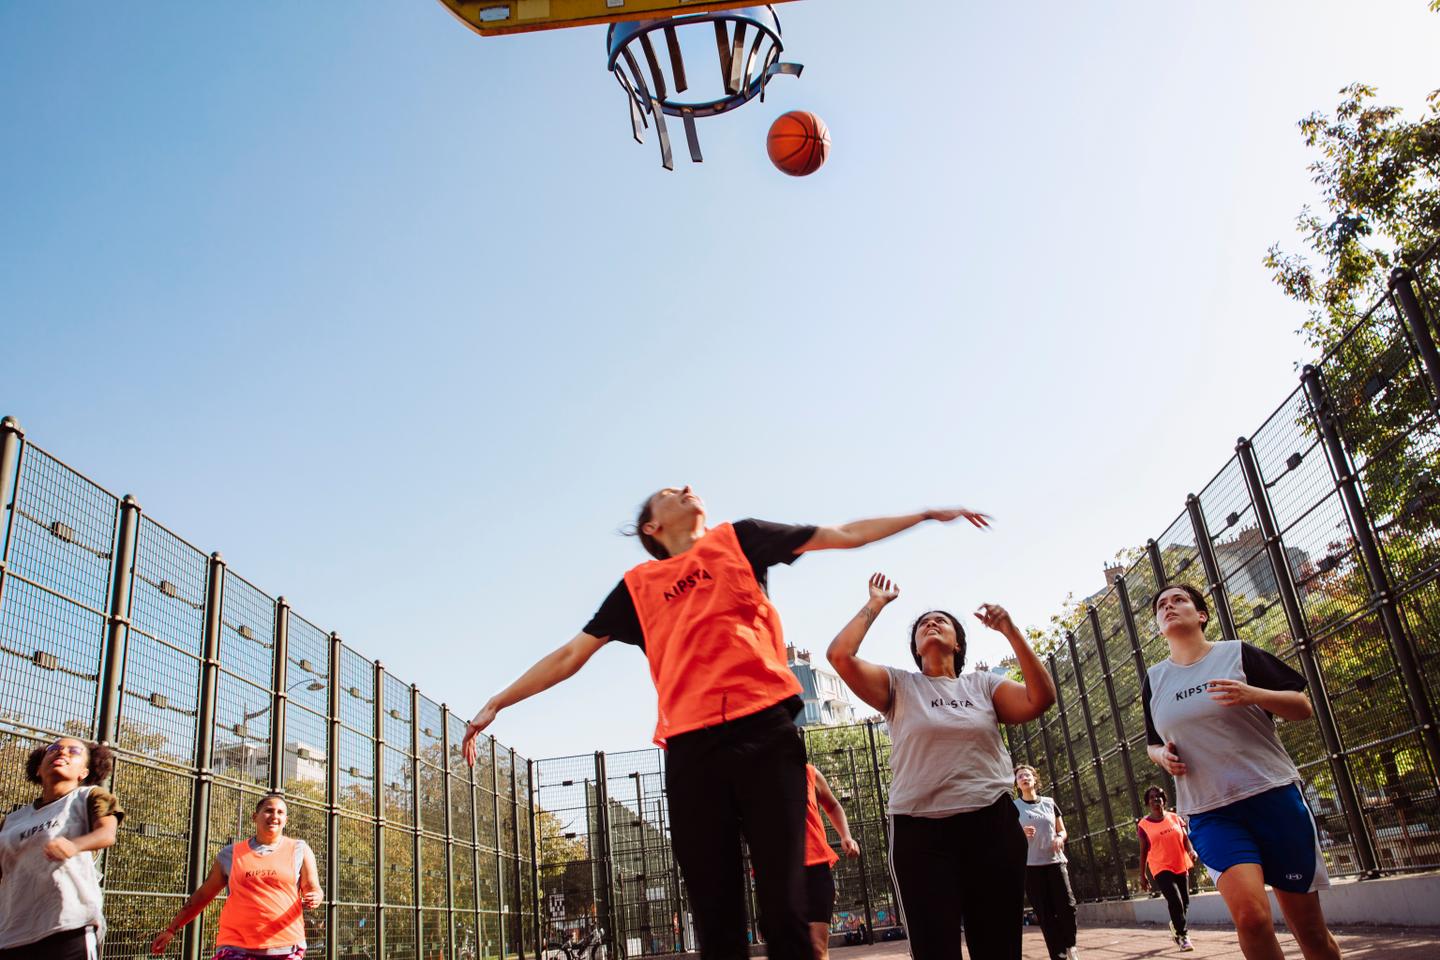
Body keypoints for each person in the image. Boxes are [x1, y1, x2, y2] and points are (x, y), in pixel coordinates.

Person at [460, 487, 989, 960]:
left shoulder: (741, 539)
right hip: (692, 750)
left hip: (767, 735)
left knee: (786, 914)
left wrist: (922, 514)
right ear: (652, 526)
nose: (688, 488)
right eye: (670, 491)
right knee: (718, 921)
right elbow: (570, 654)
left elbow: (843, 534)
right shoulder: (638, 587)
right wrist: (497, 702)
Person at [826, 573, 1056, 960]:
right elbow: (839, 656)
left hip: (992, 827)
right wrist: (876, 604)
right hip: (921, 834)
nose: (931, 623)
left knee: (999, 949)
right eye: (922, 625)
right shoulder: (899, 686)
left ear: (959, 642)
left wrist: (1010, 631)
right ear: (916, 647)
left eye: (941, 620)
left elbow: (1040, 698)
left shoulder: (982, 685)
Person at [1143, 583, 1340, 960]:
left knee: (1311, 932)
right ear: (1157, 625)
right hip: (1210, 812)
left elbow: (1302, 706)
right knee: (1251, 918)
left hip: (1273, 797)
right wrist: (1161, 758)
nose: (1169, 607)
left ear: (1200, 615)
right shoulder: (1155, 679)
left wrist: (1253, 695)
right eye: (1161, 606)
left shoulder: (1237, 653)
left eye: (1179, 600)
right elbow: (1153, 742)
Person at [150, 793, 323, 959]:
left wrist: (315, 896)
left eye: (280, 812)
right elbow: (203, 895)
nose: (274, 816)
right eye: (268, 810)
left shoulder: (299, 849)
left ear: (285, 820)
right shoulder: (230, 854)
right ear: (255, 817)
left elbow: (313, 888)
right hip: (235, 946)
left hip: (286, 945)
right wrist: (171, 929)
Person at [0, 737, 122, 960]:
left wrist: (75, 845)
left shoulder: (88, 796)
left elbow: (107, 834)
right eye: (53, 749)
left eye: (74, 751)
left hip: (70, 925)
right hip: (12, 934)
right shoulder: (11, 821)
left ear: (84, 772)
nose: (62, 753)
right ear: (38, 769)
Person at [1013, 764, 1077, 960]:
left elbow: (1062, 830)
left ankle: (1070, 945)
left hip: (1055, 862)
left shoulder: (1049, 803)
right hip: (1031, 867)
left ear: (1034, 779)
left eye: (1027, 774)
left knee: (1067, 906)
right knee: (1045, 913)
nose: (1024, 777)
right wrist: (1020, 833)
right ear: (1017, 784)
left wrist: (1060, 837)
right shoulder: (1014, 807)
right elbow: (1008, 836)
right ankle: (1058, 954)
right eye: (1019, 776)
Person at [800, 763, 860, 960]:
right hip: (777, 871)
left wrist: (846, 836)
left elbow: (832, 805)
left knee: (817, 947)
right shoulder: (754, 774)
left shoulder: (809, 773)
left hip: (816, 868)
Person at [1137, 784, 1197, 952]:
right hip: (1160, 867)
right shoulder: (1143, 825)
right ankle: (1182, 937)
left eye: (1159, 796)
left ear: (1164, 800)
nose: (1156, 799)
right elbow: (1143, 851)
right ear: (1148, 803)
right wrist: (1143, 875)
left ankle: (1175, 924)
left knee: (1184, 902)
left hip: (1180, 863)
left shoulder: (1174, 818)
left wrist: (1191, 851)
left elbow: (1185, 839)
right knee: (1175, 900)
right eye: (1152, 797)